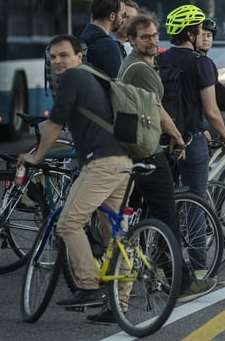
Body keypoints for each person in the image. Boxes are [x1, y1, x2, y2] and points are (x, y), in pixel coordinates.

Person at [86, 14, 217, 324]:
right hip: (145, 150)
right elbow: (158, 111)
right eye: (145, 37)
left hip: (130, 149)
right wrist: (177, 138)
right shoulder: (142, 69)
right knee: (166, 212)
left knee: (128, 225)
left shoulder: (136, 63)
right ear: (131, 39)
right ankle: (180, 282)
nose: (153, 41)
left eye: (156, 35)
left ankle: (120, 299)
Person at [18, 34, 133, 308]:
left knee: (68, 222)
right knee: (115, 233)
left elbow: (55, 123)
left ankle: (89, 285)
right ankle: (119, 304)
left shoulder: (72, 78)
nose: (57, 61)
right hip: (123, 161)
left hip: (102, 165)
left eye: (63, 55)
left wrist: (37, 157)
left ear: (79, 56)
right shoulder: (94, 76)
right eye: (53, 56)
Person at [159, 4, 225, 201]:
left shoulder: (160, 59)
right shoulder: (202, 63)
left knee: (166, 200)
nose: (202, 32)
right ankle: (197, 234)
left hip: (163, 139)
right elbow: (212, 112)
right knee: (196, 202)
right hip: (191, 140)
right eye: (199, 29)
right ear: (191, 34)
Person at [79, 0, 128, 77]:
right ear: (112, 16)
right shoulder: (109, 46)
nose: (123, 20)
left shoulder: (81, 37)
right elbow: (118, 86)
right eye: (123, 15)